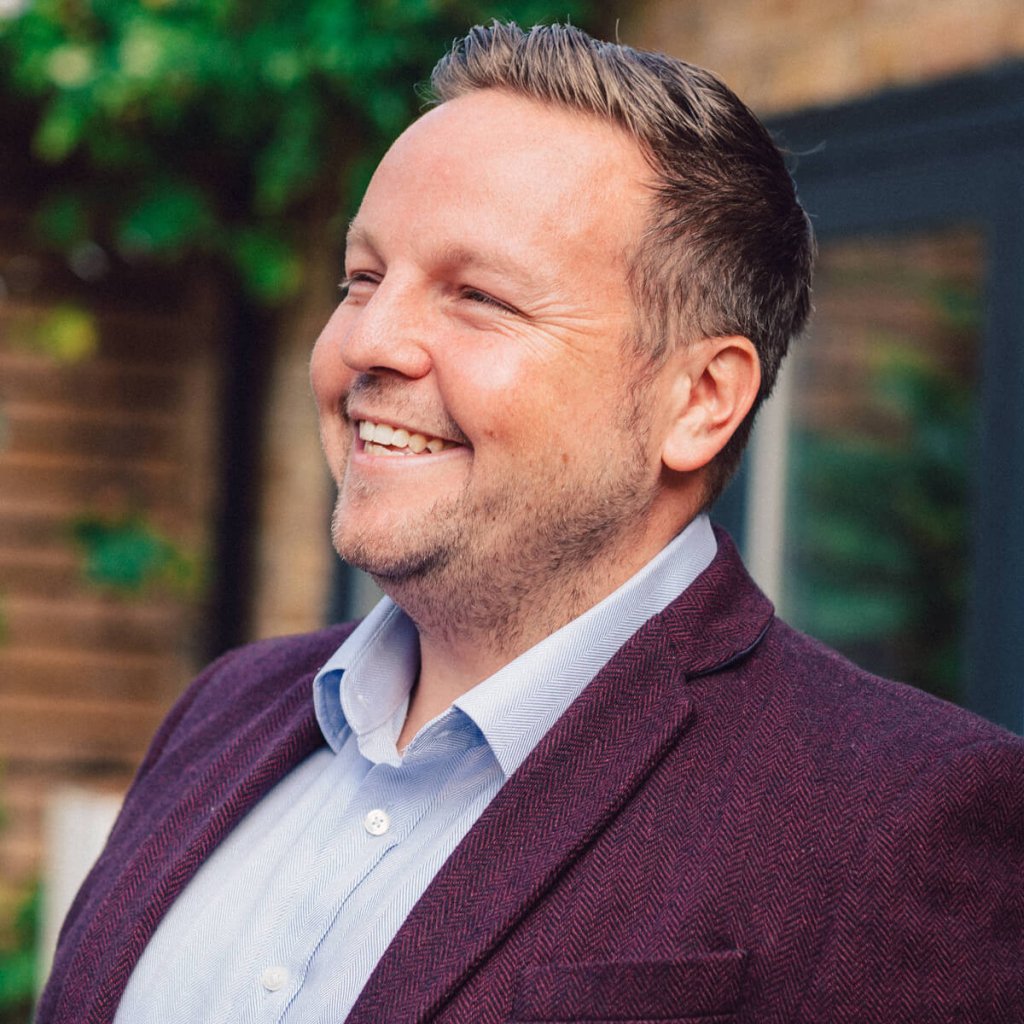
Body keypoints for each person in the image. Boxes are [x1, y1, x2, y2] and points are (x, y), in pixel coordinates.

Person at [39, 21, 1024, 1024]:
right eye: (363, 278)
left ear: (698, 400)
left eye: (478, 297)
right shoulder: (224, 712)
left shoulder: (895, 820)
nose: (368, 340)